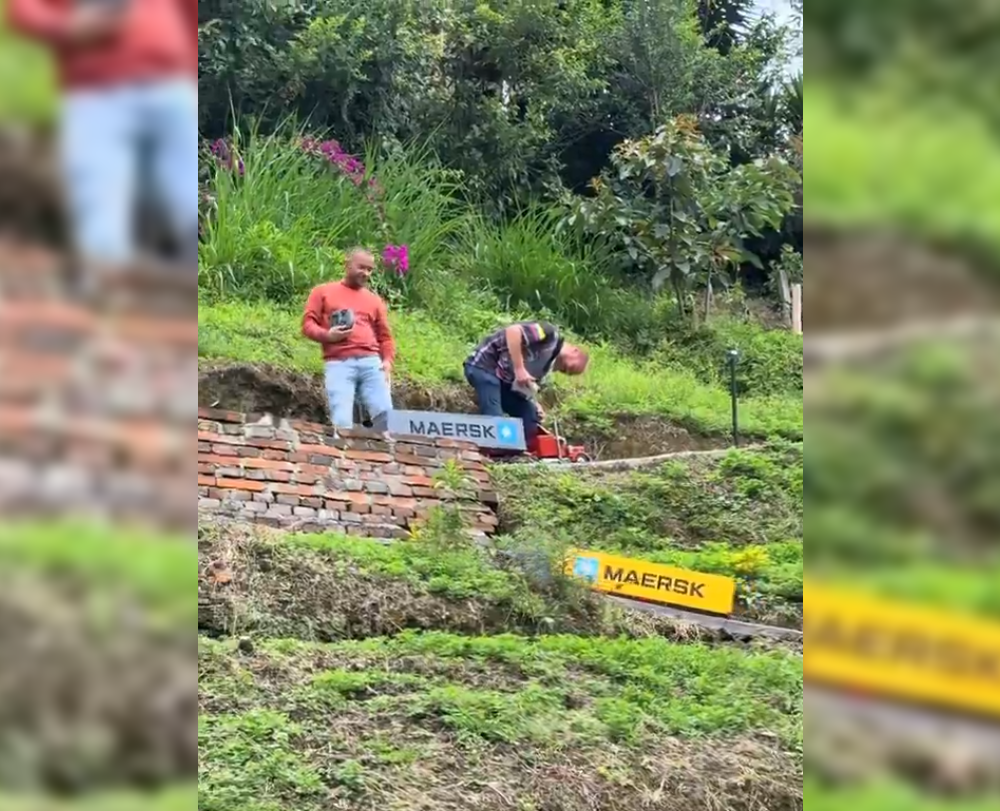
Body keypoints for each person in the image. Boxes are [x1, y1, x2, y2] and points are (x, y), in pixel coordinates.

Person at [7, 0, 198, 271]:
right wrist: (68, 29)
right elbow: (23, 12)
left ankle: (202, 286)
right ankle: (110, 296)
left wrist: (187, 67)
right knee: (100, 215)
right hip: (95, 94)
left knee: (186, 199)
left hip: (169, 86)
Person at [302, 249, 396, 428]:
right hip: (338, 362)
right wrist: (328, 336)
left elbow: (385, 337)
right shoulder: (322, 291)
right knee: (341, 419)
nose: (366, 273)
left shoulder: (374, 300)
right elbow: (307, 325)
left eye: (370, 270)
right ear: (347, 265)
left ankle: (389, 454)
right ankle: (342, 454)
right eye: (361, 267)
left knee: (386, 418)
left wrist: (387, 362)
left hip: (371, 362)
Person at [464, 321, 589, 445]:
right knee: (494, 413)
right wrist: (520, 368)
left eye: (566, 372)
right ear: (575, 351)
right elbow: (513, 331)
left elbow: (522, 387)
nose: (565, 371)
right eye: (569, 368)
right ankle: (494, 449)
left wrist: (535, 404)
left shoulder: (545, 368)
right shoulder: (549, 334)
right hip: (484, 365)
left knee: (529, 413)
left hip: (504, 382)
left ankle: (521, 450)